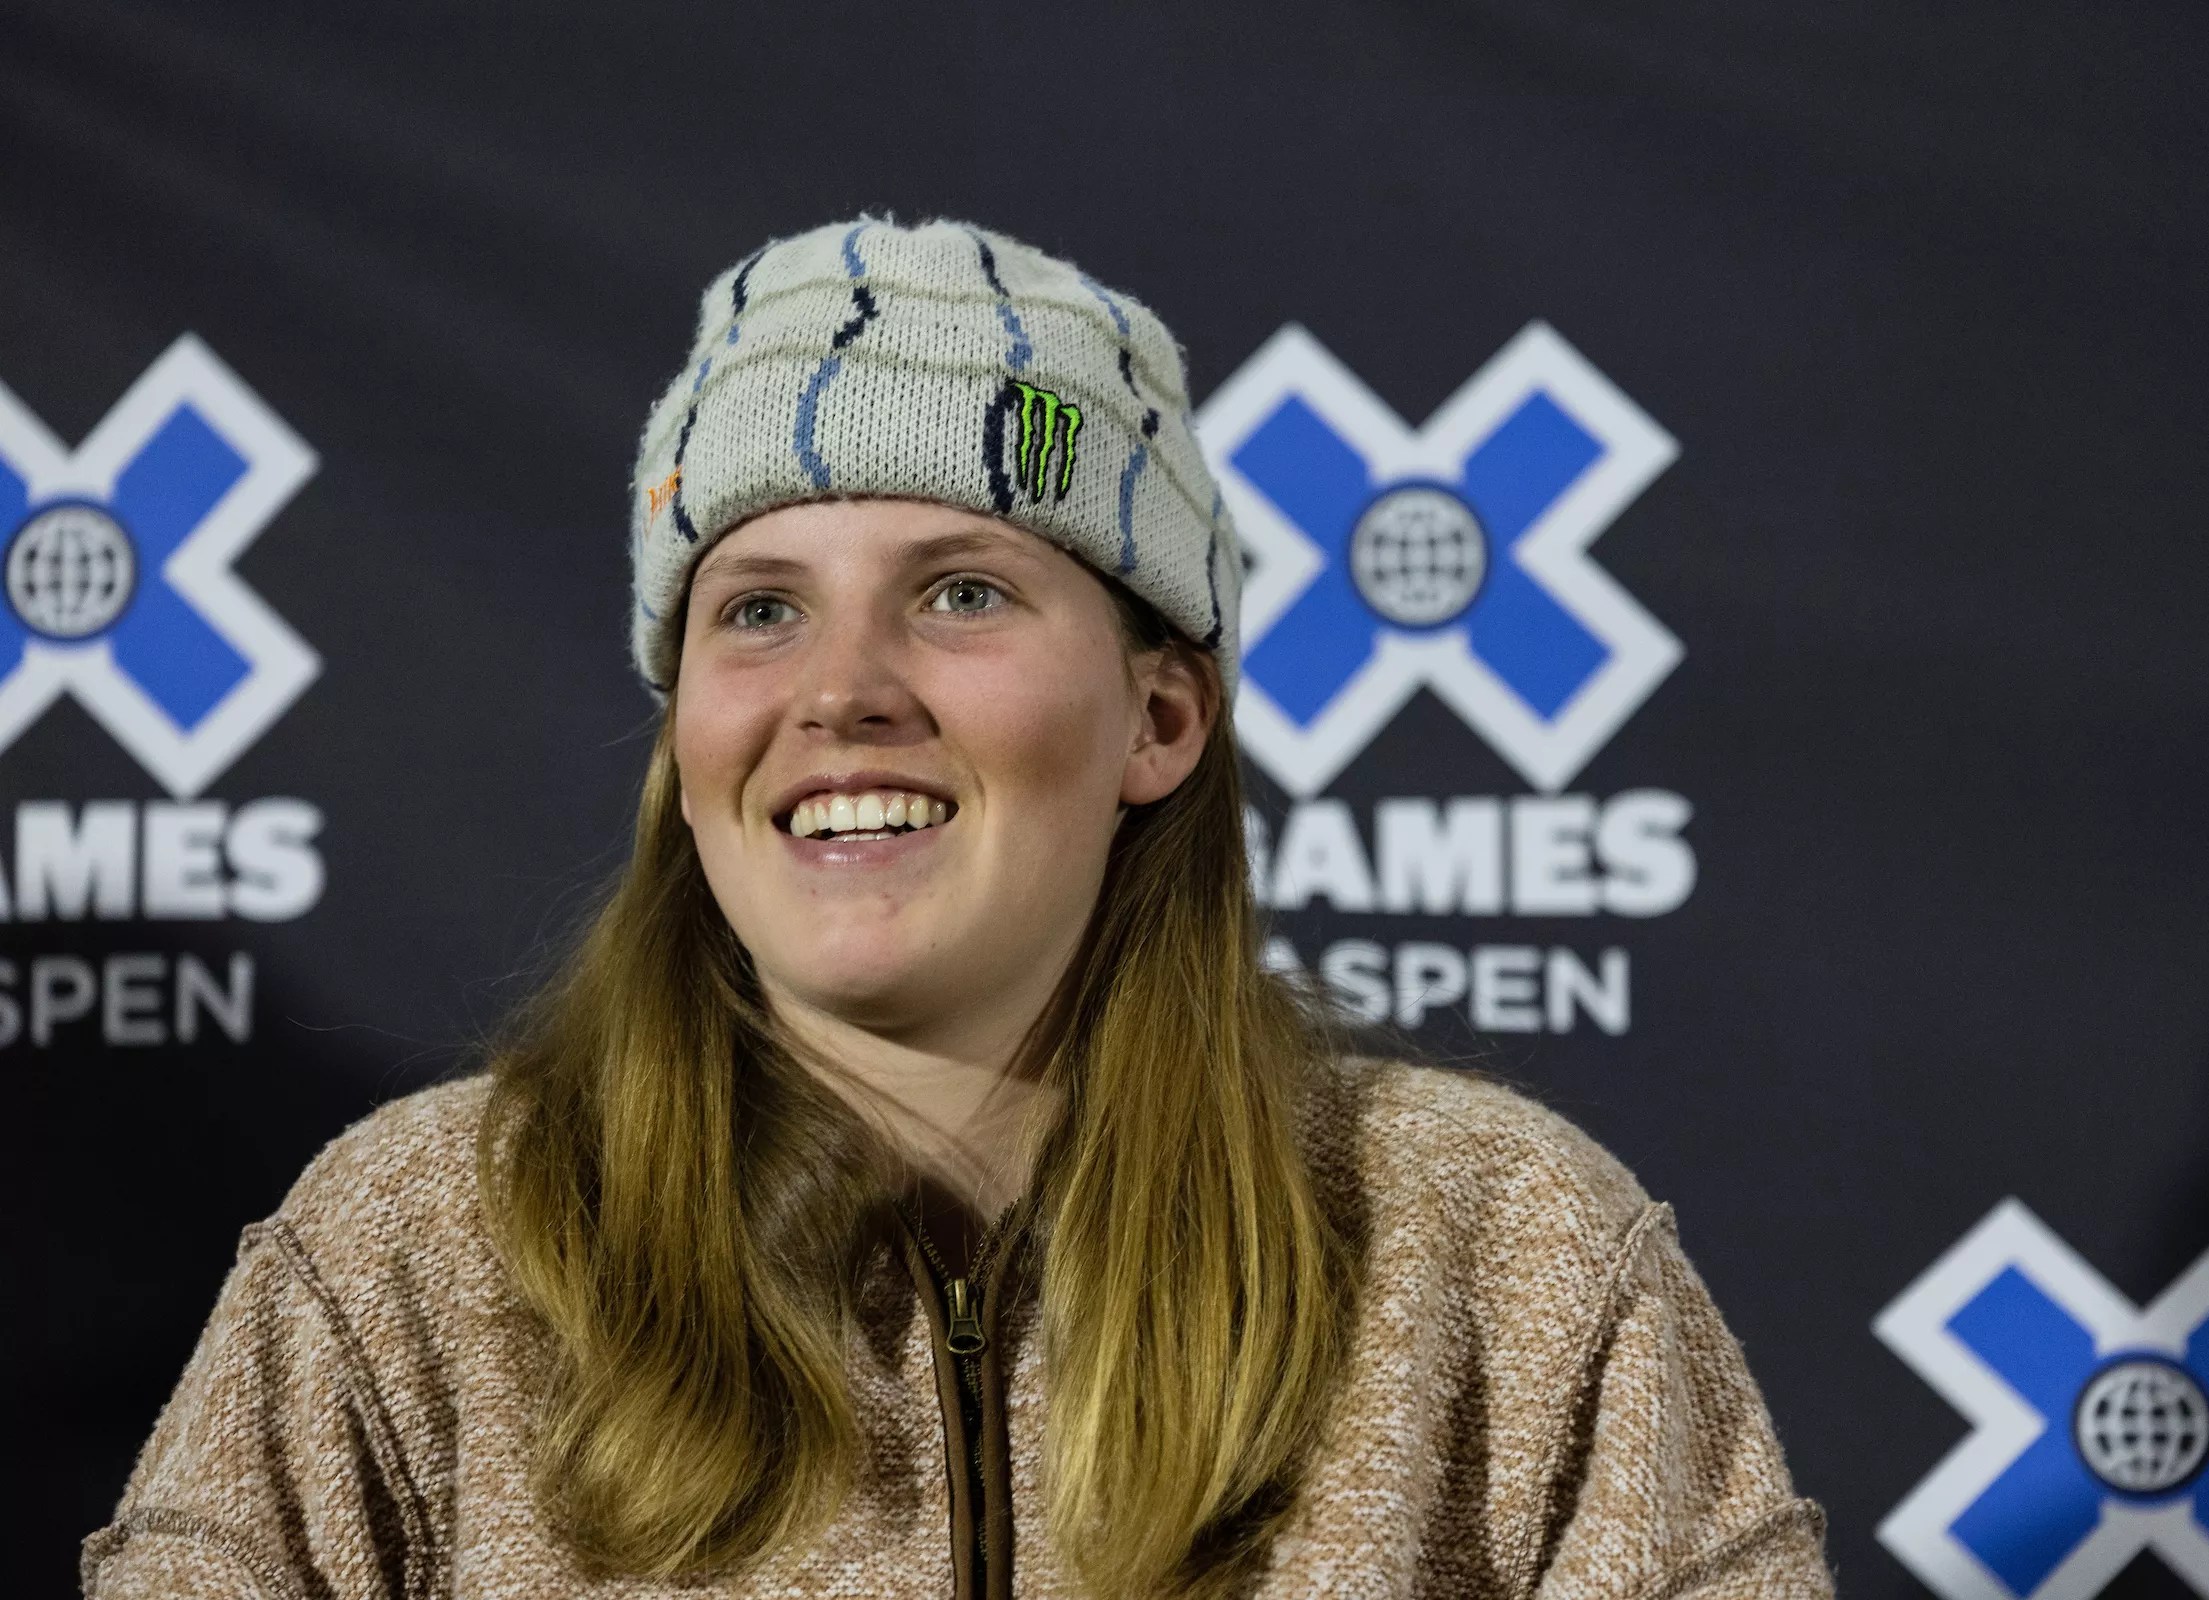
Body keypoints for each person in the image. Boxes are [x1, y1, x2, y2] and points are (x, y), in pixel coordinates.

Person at [82, 218, 1833, 1599]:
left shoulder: (1504, 1261)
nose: (841, 690)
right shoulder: (413, 1255)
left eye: (962, 592)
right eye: (756, 609)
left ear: (1160, 719)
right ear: (684, 721)